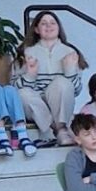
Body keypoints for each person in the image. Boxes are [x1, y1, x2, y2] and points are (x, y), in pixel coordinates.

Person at [17, 11, 83, 145]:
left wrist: (70, 71)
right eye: (43, 23)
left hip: (59, 102)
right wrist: (29, 75)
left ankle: (61, 129)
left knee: (62, 83)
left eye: (53, 23)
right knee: (22, 93)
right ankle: (54, 128)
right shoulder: (25, 52)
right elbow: (14, 88)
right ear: (36, 29)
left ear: (59, 27)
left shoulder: (70, 52)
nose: (49, 26)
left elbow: (76, 90)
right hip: (36, 104)